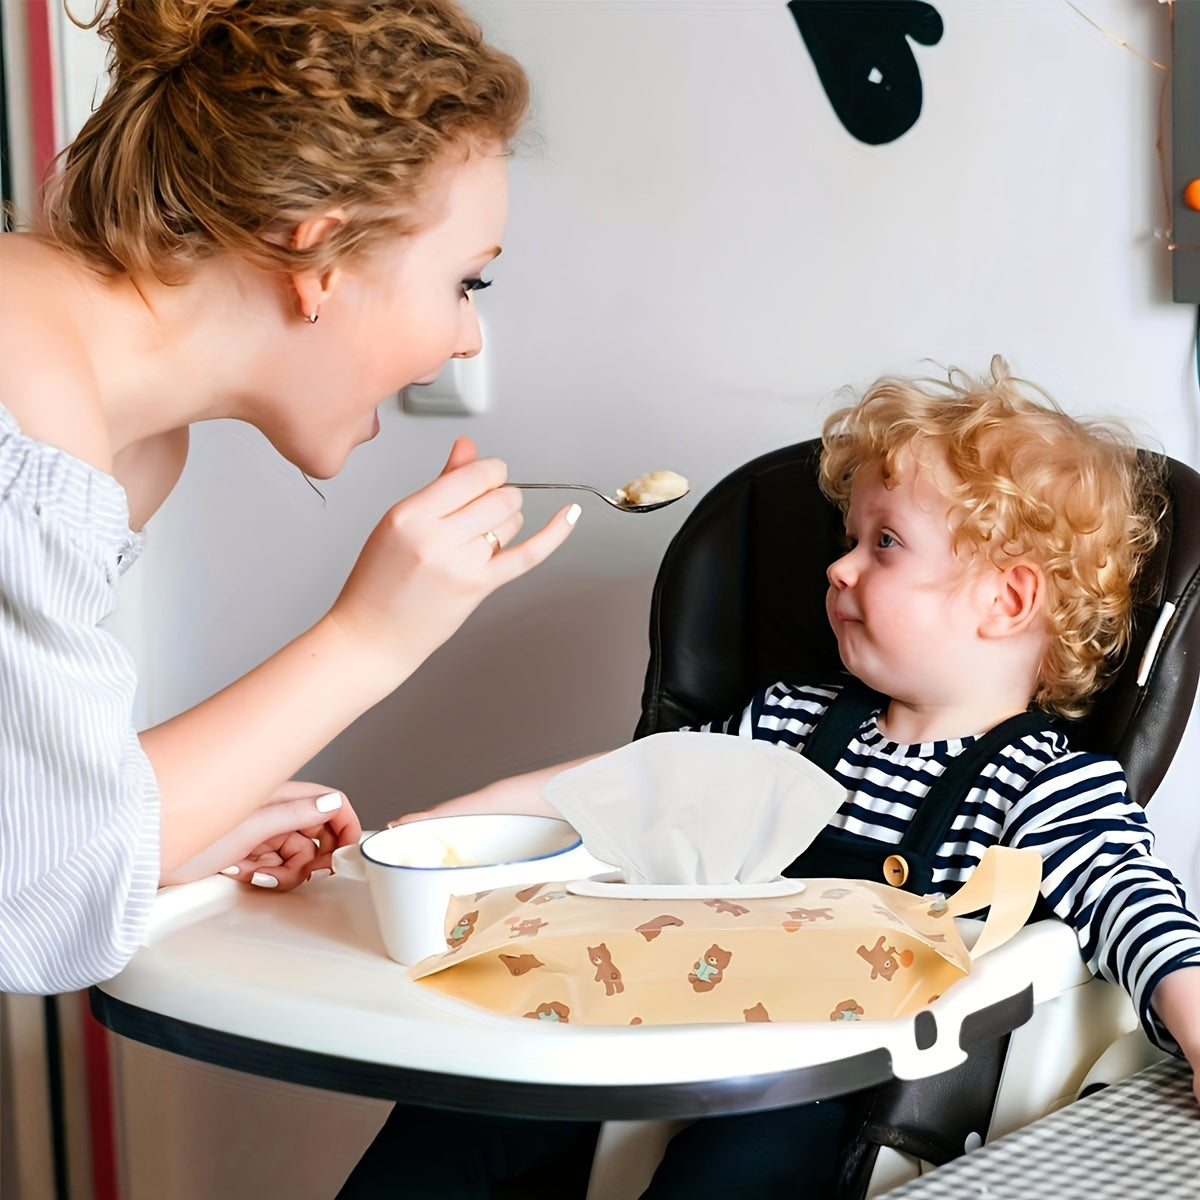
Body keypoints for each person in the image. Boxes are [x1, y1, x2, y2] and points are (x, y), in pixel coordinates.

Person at [340, 358, 1200, 1198]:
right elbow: (638, 784)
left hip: (842, 1087)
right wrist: (431, 833)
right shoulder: (791, 719)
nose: (839, 567)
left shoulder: (1046, 782)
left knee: (742, 1166)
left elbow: (1141, 911)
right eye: (847, 540)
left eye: (885, 543)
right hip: (671, 1015)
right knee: (462, 1104)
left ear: (1006, 602)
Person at [0, 0, 583, 996]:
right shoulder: (34, 418)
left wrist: (169, 824)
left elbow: (30, 811)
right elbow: (34, 895)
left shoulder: (129, 443)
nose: (465, 339)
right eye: (466, 285)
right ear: (317, 259)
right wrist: (371, 638)